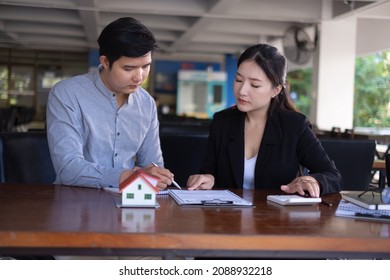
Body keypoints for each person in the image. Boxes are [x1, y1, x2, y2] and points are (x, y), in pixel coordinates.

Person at [187, 44, 342, 197]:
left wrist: (313, 181)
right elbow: (209, 171)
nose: (242, 91)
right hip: (229, 217)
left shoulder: (294, 126)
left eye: (254, 85)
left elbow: (332, 175)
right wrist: (207, 179)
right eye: (239, 80)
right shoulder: (222, 122)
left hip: (277, 218)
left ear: (276, 90)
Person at [46, 17, 175, 190]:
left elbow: (153, 164)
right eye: (128, 69)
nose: (139, 77)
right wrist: (127, 176)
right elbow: (68, 168)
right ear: (105, 62)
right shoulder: (68, 93)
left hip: (130, 202)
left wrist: (157, 176)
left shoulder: (147, 104)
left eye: (145, 66)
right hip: (76, 203)